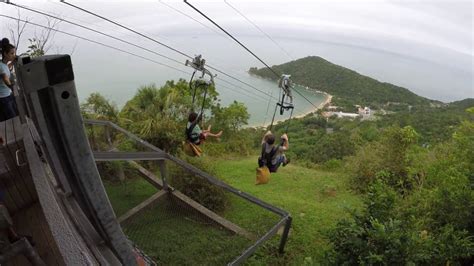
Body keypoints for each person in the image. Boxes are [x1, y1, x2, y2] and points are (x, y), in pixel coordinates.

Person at [0, 38, 18, 122]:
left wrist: (13, 62)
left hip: (9, 95)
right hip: (3, 98)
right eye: (12, 53)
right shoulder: (0, 65)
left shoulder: (5, 64)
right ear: (5, 53)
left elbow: (8, 68)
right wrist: (11, 86)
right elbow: (5, 78)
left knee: (16, 116)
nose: (13, 55)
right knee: (13, 119)